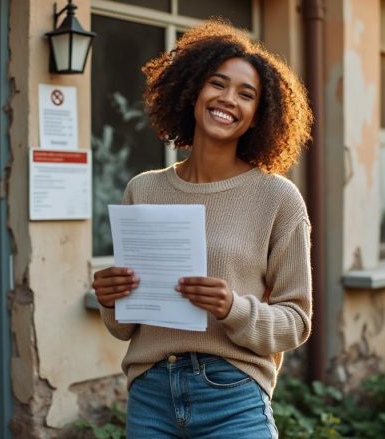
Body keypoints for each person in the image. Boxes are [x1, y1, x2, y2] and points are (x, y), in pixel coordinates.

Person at [92, 19, 313, 438]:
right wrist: (111, 298)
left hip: (233, 394)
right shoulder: (143, 189)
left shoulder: (278, 198)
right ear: (193, 90)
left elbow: (296, 322)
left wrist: (233, 308)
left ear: (257, 116)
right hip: (151, 395)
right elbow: (124, 326)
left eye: (246, 94)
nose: (228, 99)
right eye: (218, 84)